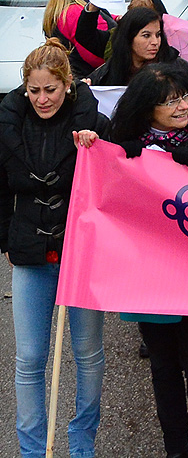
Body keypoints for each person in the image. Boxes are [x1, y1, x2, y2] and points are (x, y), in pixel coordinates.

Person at [106, 62, 188, 458]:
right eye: (170, 101)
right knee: (162, 363)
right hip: (149, 272)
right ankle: (175, 443)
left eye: (184, 96)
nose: (182, 105)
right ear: (147, 110)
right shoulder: (125, 147)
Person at [1, 41, 109, 458]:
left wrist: (96, 147)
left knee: (87, 354)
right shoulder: (8, 123)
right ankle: (33, 451)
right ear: (24, 88)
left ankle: (82, 444)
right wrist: (6, 239)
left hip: (80, 254)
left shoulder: (92, 121)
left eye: (51, 90)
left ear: (68, 84)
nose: (42, 99)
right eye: (34, 91)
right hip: (29, 254)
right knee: (29, 359)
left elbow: (115, 178)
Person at [86, 7, 188, 89]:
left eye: (158, 35)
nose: (155, 42)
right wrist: (84, 89)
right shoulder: (109, 70)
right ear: (129, 37)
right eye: (146, 36)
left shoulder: (176, 65)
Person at [43, 0, 116, 78]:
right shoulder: (74, 11)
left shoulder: (62, 9)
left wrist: (115, 18)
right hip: (91, 80)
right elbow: (97, 52)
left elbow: (103, 17)